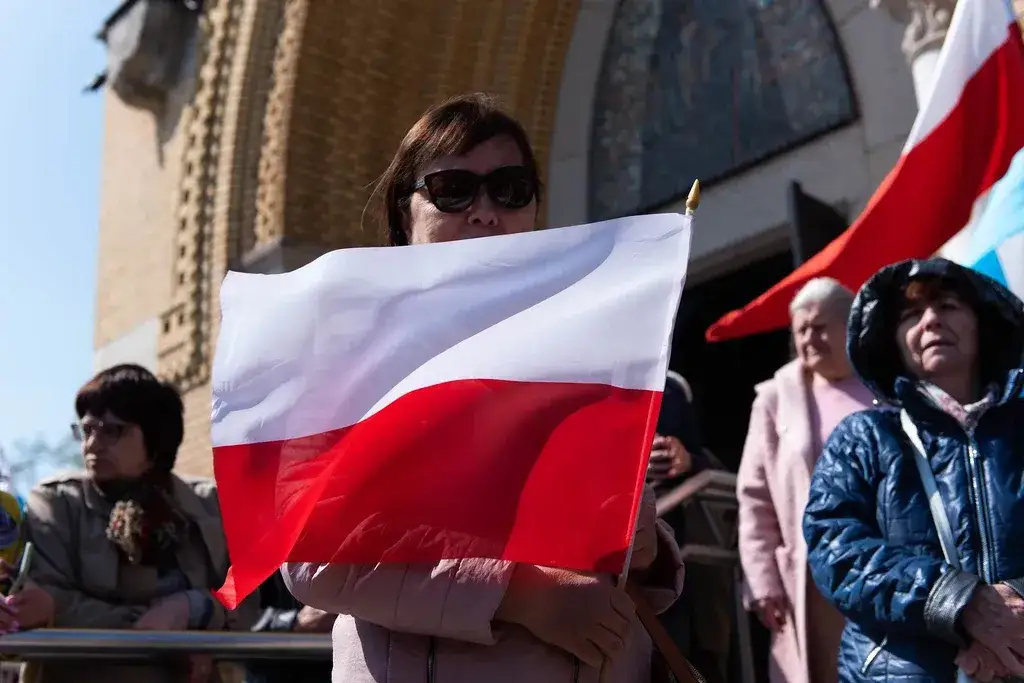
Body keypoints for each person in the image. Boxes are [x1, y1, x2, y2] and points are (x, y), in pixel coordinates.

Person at [282, 93, 685, 683]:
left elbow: (614, 519)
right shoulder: (346, 353)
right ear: (404, 212)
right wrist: (522, 597)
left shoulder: (584, 348)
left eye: (510, 188)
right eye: (452, 189)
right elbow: (310, 551)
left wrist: (648, 546)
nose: (485, 211)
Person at [804, 258, 1024, 683]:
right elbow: (833, 545)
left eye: (947, 306)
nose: (930, 321)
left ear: (982, 323)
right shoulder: (863, 437)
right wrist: (958, 601)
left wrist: (1011, 605)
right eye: (910, 314)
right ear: (894, 341)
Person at [5, 364, 255, 683]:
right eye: (87, 430)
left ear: (155, 442)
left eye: (113, 430)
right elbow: (48, 598)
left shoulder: (209, 505)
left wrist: (194, 607)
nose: (92, 444)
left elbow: (248, 601)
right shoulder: (58, 503)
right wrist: (166, 634)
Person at [737, 277, 874, 683]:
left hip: (891, 563)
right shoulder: (777, 398)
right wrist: (762, 579)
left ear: (850, 325)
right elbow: (754, 495)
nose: (810, 338)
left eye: (820, 326)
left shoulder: (884, 383)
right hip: (815, 579)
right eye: (801, 330)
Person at [647, 371, 731, 683]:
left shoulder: (671, 387)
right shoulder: (581, 376)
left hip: (676, 557)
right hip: (607, 563)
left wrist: (686, 459)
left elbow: (714, 460)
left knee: (686, 655)